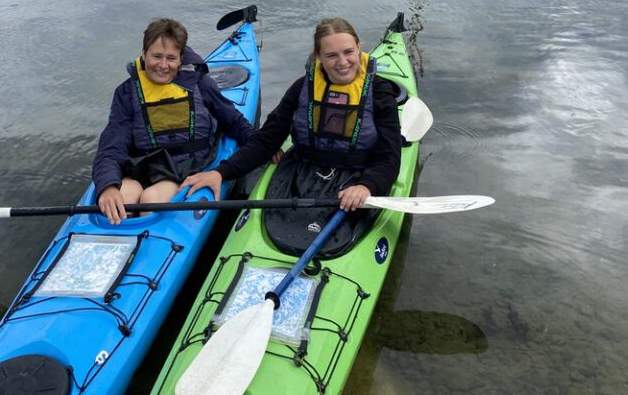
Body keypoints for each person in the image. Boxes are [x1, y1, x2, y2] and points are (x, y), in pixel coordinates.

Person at [183, 17, 403, 257]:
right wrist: (221, 172)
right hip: (301, 172)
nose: (343, 62)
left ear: (359, 47)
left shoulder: (380, 93)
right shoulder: (302, 88)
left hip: (358, 174)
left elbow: (389, 158)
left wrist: (367, 186)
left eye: (349, 52)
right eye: (331, 56)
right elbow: (267, 140)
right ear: (318, 56)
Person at [93, 17, 254, 224]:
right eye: (156, 56)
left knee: (150, 201)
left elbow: (233, 121)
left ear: (181, 59)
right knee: (122, 199)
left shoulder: (199, 83)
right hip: (141, 166)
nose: (163, 65)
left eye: (171, 58)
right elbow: (111, 147)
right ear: (144, 54)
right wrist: (107, 186)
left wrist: (262, 143)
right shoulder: (127, 93)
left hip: (184, 168)